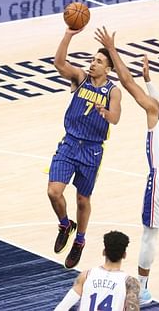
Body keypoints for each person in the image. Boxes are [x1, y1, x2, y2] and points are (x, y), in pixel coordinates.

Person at [95, 27, 159, 303]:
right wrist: (149, 79)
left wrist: (112, 50)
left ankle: (143, 289)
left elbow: (127, 82)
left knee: (150, 233)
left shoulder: (155, 111)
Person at [48, 27, 122, 269]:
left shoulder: (113, 91)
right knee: (54, 192)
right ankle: (65, 225)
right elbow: (58, 62)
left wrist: (106, 112)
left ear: (108, 69)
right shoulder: (80, 79)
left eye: (98, 61)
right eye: (92, 59)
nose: (93, 64)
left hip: (92, 149)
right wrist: (68, 34)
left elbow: (115, 118)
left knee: (82, 199)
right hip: (70, 142)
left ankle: (79, 241)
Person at [54, 230, 140, 311]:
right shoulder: (130, 283)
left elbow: (62, 307)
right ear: (124, 255)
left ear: (103, 252)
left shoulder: (86, 276)